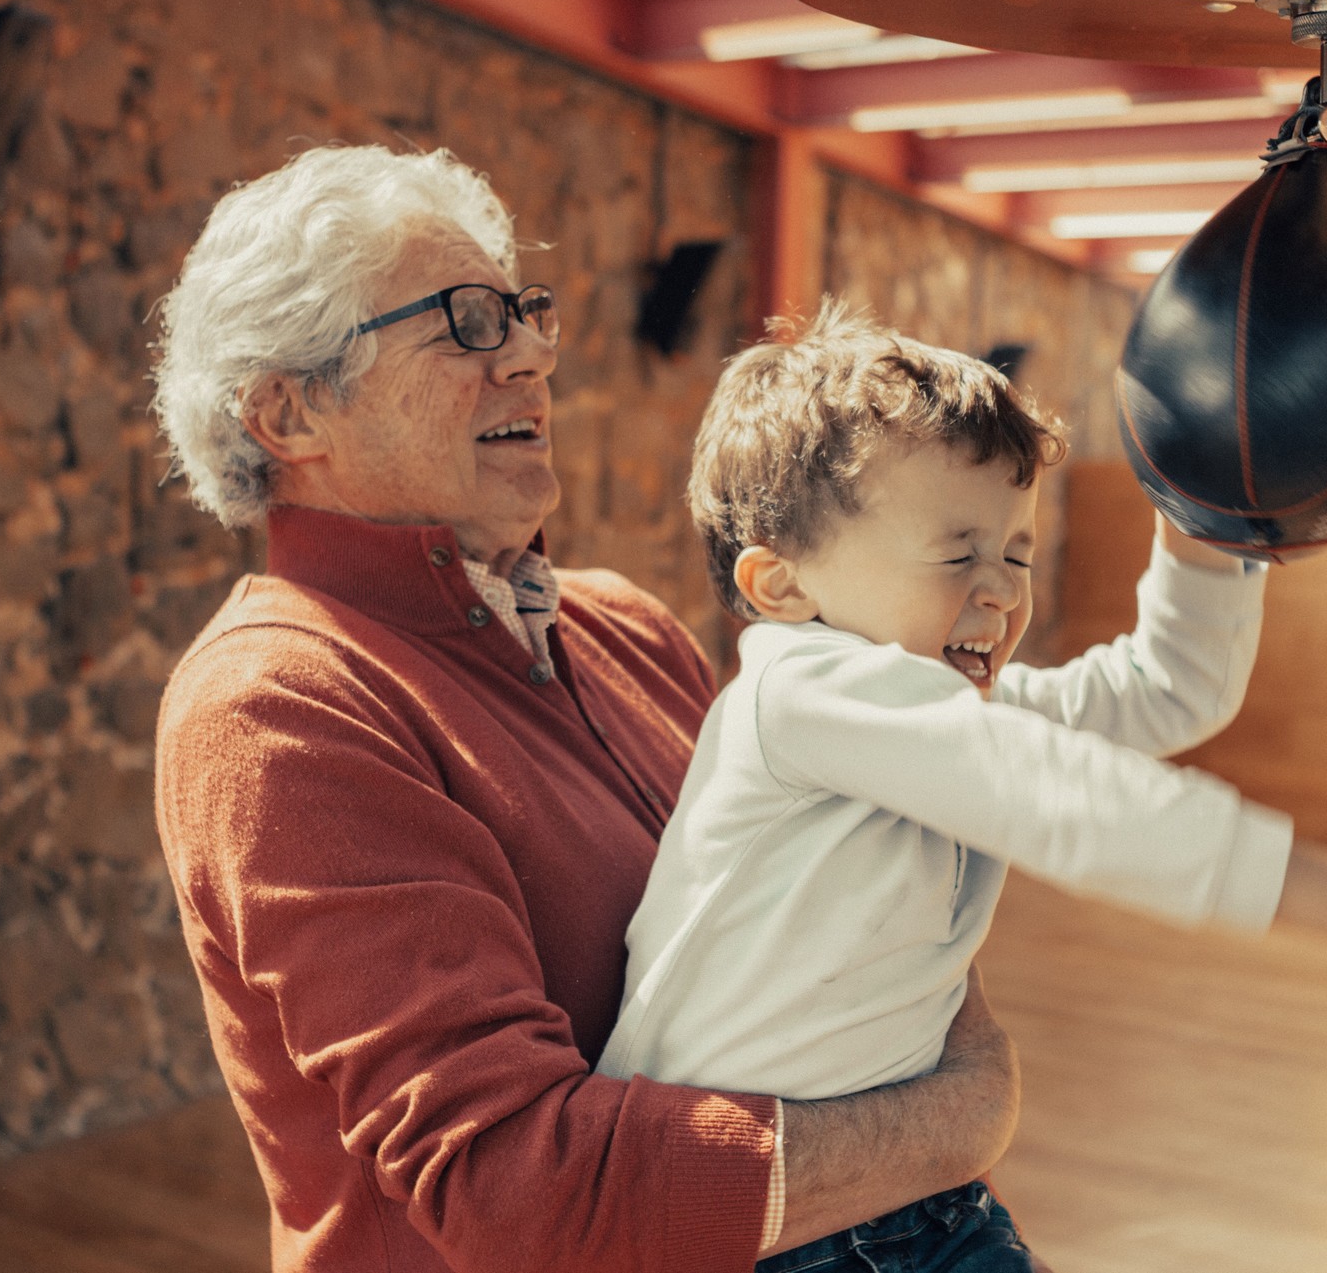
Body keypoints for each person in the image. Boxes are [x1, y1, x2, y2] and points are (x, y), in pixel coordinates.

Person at [149, 145, 1027, 1273]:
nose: (527, 357)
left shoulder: (627, 624)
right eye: (465, 322)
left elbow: (837, 902)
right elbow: (519, 1192)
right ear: (290, 412)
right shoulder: (276, 705)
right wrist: (962, 1117)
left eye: (523, 313)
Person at [596, 304, 1327, 1273]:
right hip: (750, 1230)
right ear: (782, 588)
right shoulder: (801, 693)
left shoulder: (944, 713)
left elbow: (1163, 692)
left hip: (904, 1198)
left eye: (1015, 552)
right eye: (958, 554)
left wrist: (1199, 524)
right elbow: (1065, 799)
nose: (1002, 591)